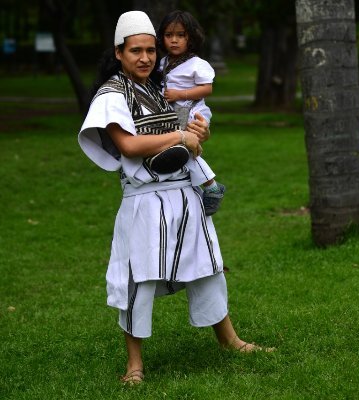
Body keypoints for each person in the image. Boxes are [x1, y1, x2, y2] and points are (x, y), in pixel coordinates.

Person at [78, 11, 275, 386]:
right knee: (138, 280)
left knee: (207, 267)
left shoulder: (157, 87)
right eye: (136, 50)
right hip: (145, 201)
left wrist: (197, 133)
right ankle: (134, 365)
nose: (145, 57)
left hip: (183, 195)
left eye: (151, 50)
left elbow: (184, 140)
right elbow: (129, 145)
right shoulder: (112, 93)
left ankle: (229, 340)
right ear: (119, 52)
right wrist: (179, 137)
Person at [157, 10, 225, 217]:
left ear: (191, 37)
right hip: (173, 112)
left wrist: (180, 94)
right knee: (178, 148)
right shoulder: (163, 63)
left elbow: (207, 88)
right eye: (169, 35)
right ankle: (206, 185)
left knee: (185, 148)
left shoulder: (197, 64)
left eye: (180, 35)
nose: (174, 40)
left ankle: (211, 186)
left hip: (194, 110)